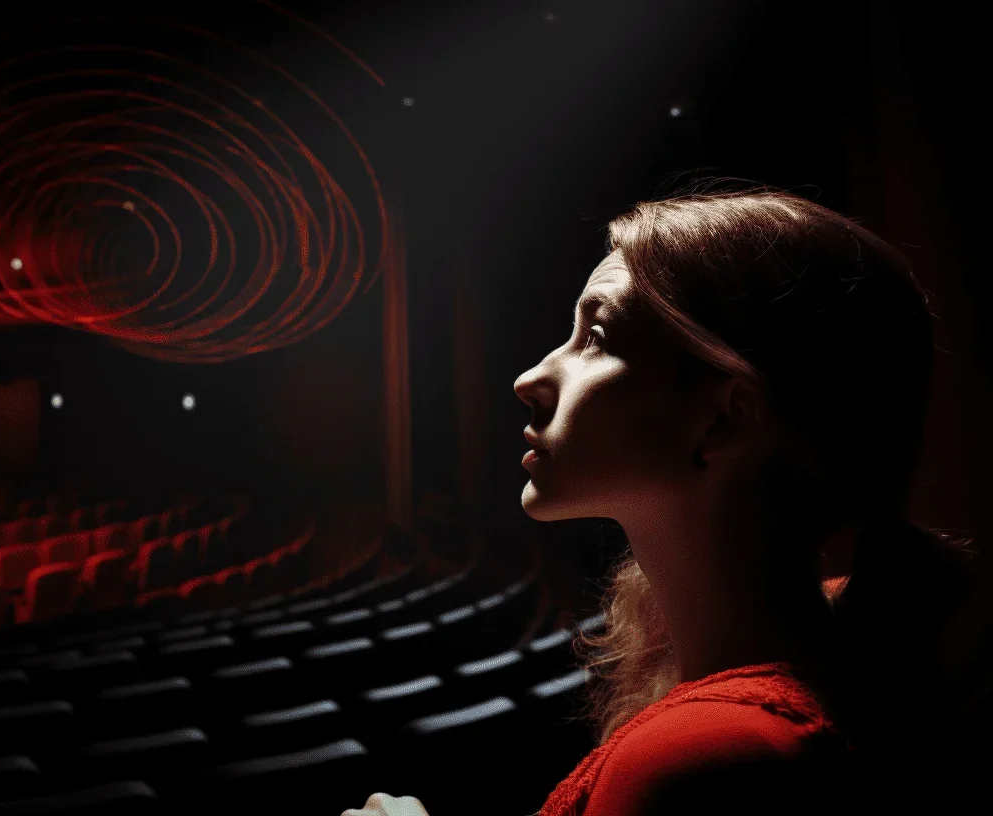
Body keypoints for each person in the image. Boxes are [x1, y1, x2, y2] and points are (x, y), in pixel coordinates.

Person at [341, 182, 978, 816]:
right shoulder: (828, 658)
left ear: (721, 420)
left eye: (595, 335)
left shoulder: (705, 757)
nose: (529, 379)